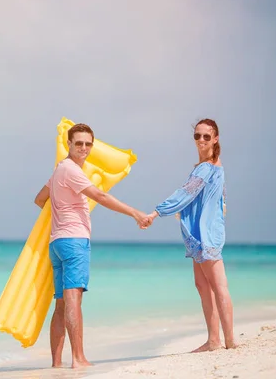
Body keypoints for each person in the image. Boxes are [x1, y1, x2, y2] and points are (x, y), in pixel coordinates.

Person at [33, 123, 150, 368]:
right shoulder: (72, 171)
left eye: (88, 144)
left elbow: (39, 199)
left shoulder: (59, 170)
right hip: (74, 240)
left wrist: (62, 208)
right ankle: (78, 359)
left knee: (62, 303)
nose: (84, 148)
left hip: (57, 242)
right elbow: (101, 196)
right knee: (74, 299)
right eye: (79, 143)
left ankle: (57, 364)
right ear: (69, 144)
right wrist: (135, 213)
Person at [145, 118, 237, 352]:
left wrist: (157, 212)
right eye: (197, 136)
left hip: (206, 234)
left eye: (207, 136)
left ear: (215, 138)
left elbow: (186, 193)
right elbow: (219, 196)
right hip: (200, 233)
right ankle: (214, 340)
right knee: (202, 285)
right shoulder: (211, 164)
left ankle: (229, 341)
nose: (201, 140)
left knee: (218, 286)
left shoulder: (207, 167)